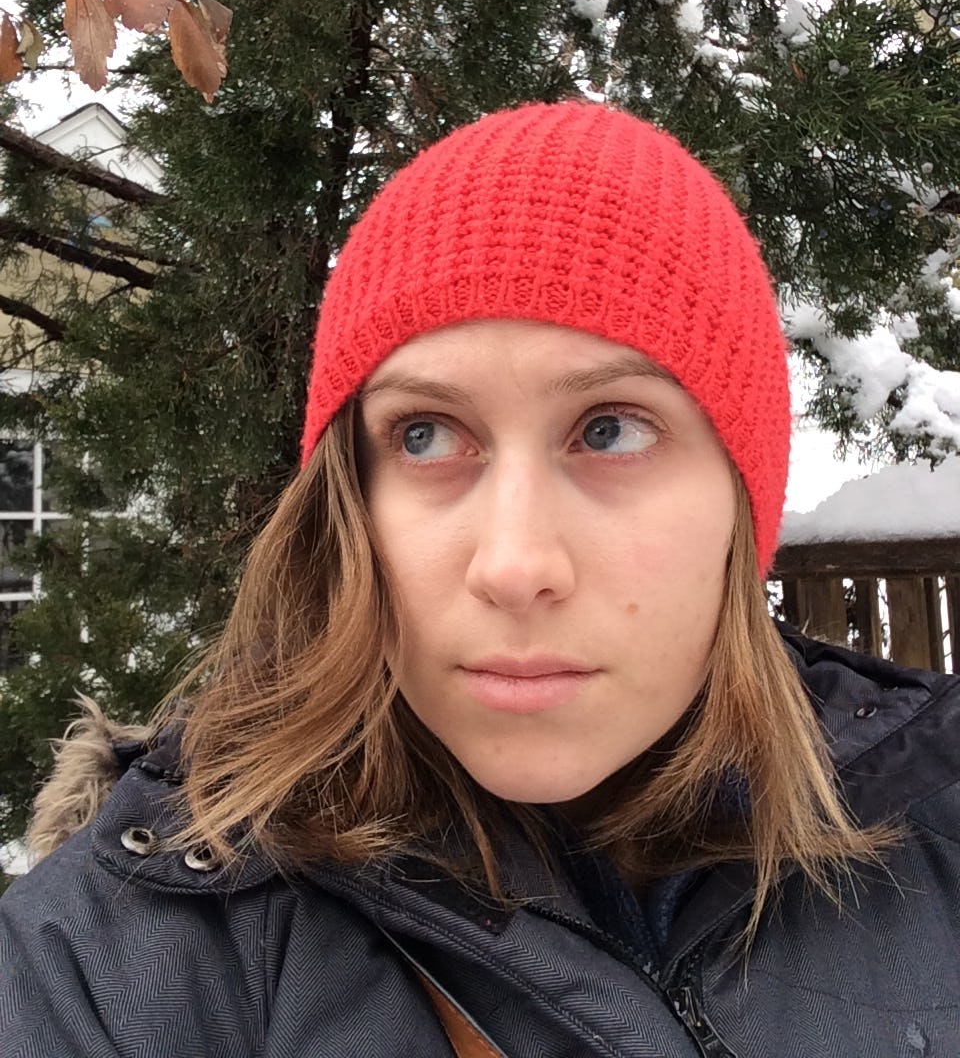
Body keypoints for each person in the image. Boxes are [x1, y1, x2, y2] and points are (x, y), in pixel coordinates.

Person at [2, 101, 959, 1058]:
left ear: (741, 496)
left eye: (612, 428)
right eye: (425, 436)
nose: (514, 566)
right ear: (350, 502)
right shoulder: (121, 963)